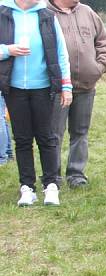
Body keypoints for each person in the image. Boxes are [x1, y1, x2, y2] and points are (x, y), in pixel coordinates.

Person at [0, 0, 72, 207]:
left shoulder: (47, 16)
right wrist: (7, 50)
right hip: (13, 88)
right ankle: (27, 188)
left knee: (47, 137)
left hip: (43, 87)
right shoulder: (3, 14)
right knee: (22, 139)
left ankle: (51, 186)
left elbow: (61, 54)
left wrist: (66, 86)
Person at [47, 0, 106, 189]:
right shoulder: (44, 13)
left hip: (86, 85)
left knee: (80, 132)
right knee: (54, 134)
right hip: (56, 87)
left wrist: (99, 67)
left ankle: (76, 175)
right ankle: (53, 177)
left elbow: (104, 41)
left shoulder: (88, 12)